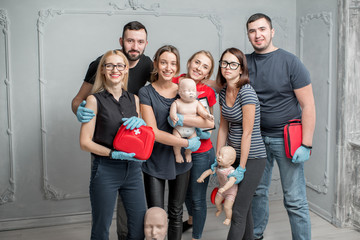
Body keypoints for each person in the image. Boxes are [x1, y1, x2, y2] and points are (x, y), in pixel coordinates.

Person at [71, 21, 152, 240]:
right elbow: (84, 141)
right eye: (110, 66)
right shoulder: (94, 99)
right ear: (103, 70)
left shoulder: (135, 97)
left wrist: (142, 123)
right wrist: (79, 110)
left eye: (120, 66)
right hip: (106, 167)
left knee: (137, 226)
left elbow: (168, 84)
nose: (115, 69)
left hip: (133, 168)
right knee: (101, 227)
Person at [245, 13, 316, 240]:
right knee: (257, 193)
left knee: (294, 200)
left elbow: (308, 105)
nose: (258, 35)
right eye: (253, 31)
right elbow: (220, 82)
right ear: (248, 35)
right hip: (256, 139)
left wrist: (306, 144)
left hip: (287, 139)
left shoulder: (290, 61)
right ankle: (255, 235)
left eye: (262, 29)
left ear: (272, 31)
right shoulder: (244, 63)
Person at [138, 45, 214, 240]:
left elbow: (208, 122)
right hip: (154, 159)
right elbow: (153, 132)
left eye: (173, 63)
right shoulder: (146, 93)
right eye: (163, 62)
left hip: (180, 162)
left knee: (176, 211)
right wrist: (188, 145)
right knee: (155, 213)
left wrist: (184, 122)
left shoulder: (185, 90)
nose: (168, 67)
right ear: (156, 64)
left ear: (178, 66)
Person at [212, 47, 267, 239]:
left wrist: (241, 167)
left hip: (253, 158)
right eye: (224, 63)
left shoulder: (247, 92)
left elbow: (248, 132)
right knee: (245, 208)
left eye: (233, 64)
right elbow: (223, 128)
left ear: (241, 69)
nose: (227, 67)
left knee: (237, 211)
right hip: (233, 157)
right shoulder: (224, 92)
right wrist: (218, 157)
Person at [171, 50, 217, 240]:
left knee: (197, 197)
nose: (199, 68)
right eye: (197, 62)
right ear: (189, 62)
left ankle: (196, 236)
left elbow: (210, 124)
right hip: (177, 147)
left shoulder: (208, 92)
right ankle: (190, 222)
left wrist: (184, 118)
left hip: (202, 150)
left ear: (207, 74)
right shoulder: (173, 82)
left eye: (205, 66)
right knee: (184, 195)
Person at [169, 78, 214, 163]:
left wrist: (207, 116)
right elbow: (172, 112)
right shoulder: (177, 102)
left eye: (193, 90)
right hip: (179, 129)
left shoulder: (196, 103)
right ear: (180, 92)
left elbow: (202, 113)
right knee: (176, 141)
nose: (191, 92)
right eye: (188, 90)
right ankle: (177, 154)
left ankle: (188, 153)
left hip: (191, 130)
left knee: (193, 142)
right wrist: (173, 116)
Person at [197, 146, 238, 225]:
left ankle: (228, 218)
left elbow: (231, 182)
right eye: (219, 154)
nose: (219, 157)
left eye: (223, 156)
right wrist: (201, 177)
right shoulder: (219, 167)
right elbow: (209, 171)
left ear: (231, 161)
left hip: (230, 192)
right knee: (217, 201)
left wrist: (224, 188)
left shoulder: (231, 171)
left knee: (227, 207)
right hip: (221, 189)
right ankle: (219, 209)